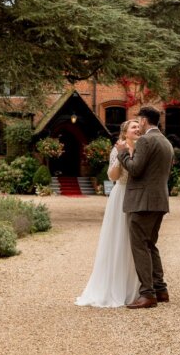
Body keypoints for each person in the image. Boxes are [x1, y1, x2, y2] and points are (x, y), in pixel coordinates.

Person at [75, 119, 141, 307]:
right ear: (125, 132)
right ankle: (114, 286)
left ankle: (134, 287)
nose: (137, 129)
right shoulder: (117, 149)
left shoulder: (143, 147)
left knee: (133, 240)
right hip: (121, 195)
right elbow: (112, 177)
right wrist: (121, 155)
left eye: (138, 126)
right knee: (118, 238)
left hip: (137, 195)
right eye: (133, 127)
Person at [116, 105, 174, 309]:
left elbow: (135, 169)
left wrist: (122, 154)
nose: (138, 124)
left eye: (139, 120)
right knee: (151, 244)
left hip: (142, 202)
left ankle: (147, 294)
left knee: (140, 245)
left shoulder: (147, 140)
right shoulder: (165, 141)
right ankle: (161, 289)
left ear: (143, 120)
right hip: (159, 201)